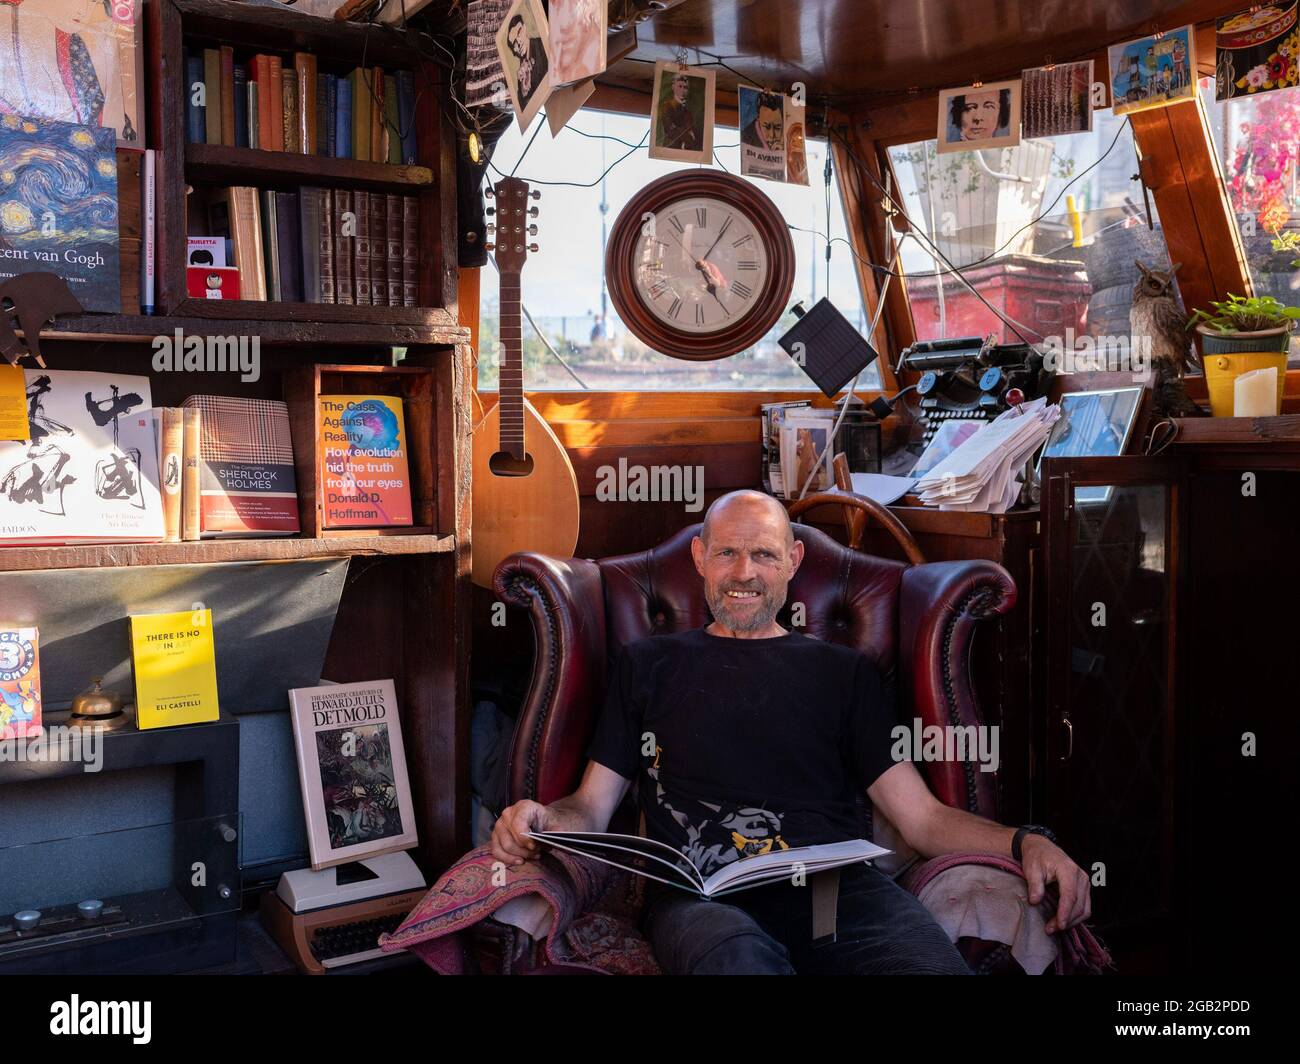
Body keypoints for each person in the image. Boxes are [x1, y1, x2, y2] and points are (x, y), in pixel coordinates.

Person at [491, 490, 1093, 974]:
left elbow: (923, 821)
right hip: (700, 900)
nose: (744, 574)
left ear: (793, 562)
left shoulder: (843, 673)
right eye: (727, 553)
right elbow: (589, 808)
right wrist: (541, 820)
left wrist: (1025, 842)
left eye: (765, 556)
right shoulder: (649, 666)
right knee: (735, 961)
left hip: (836, 895)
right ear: (699, 558)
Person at [506, 12, 548, 106]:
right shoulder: (521, 68)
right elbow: (522, 105)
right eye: (513, 44)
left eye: (518, 32)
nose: (518, 42)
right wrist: (522, 89)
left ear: (524, 27)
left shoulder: (542, 45)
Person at [657, 71, 698, 151]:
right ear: (673, 87)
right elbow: (670, 129)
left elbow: (691, 132)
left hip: (686, 150)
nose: (682, 90)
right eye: (680, 86)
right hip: (670, 148)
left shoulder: (687, 112)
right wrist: (688, 137)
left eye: (685, 87)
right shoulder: (666, 106)